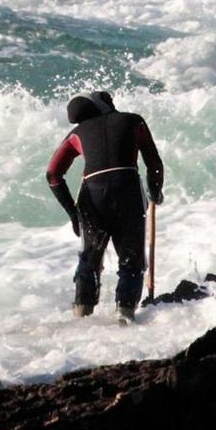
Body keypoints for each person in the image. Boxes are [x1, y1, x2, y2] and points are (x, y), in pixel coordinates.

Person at [46, 91, 164, 323]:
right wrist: (155, 191)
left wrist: (73, 214)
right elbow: (154, 163)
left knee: (90, 258)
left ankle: (82, 315)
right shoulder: (133, 120)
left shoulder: (77, 133)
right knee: (131, 259)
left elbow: (53, 174)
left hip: (92, 194)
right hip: (127, 189)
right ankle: (125, 314)